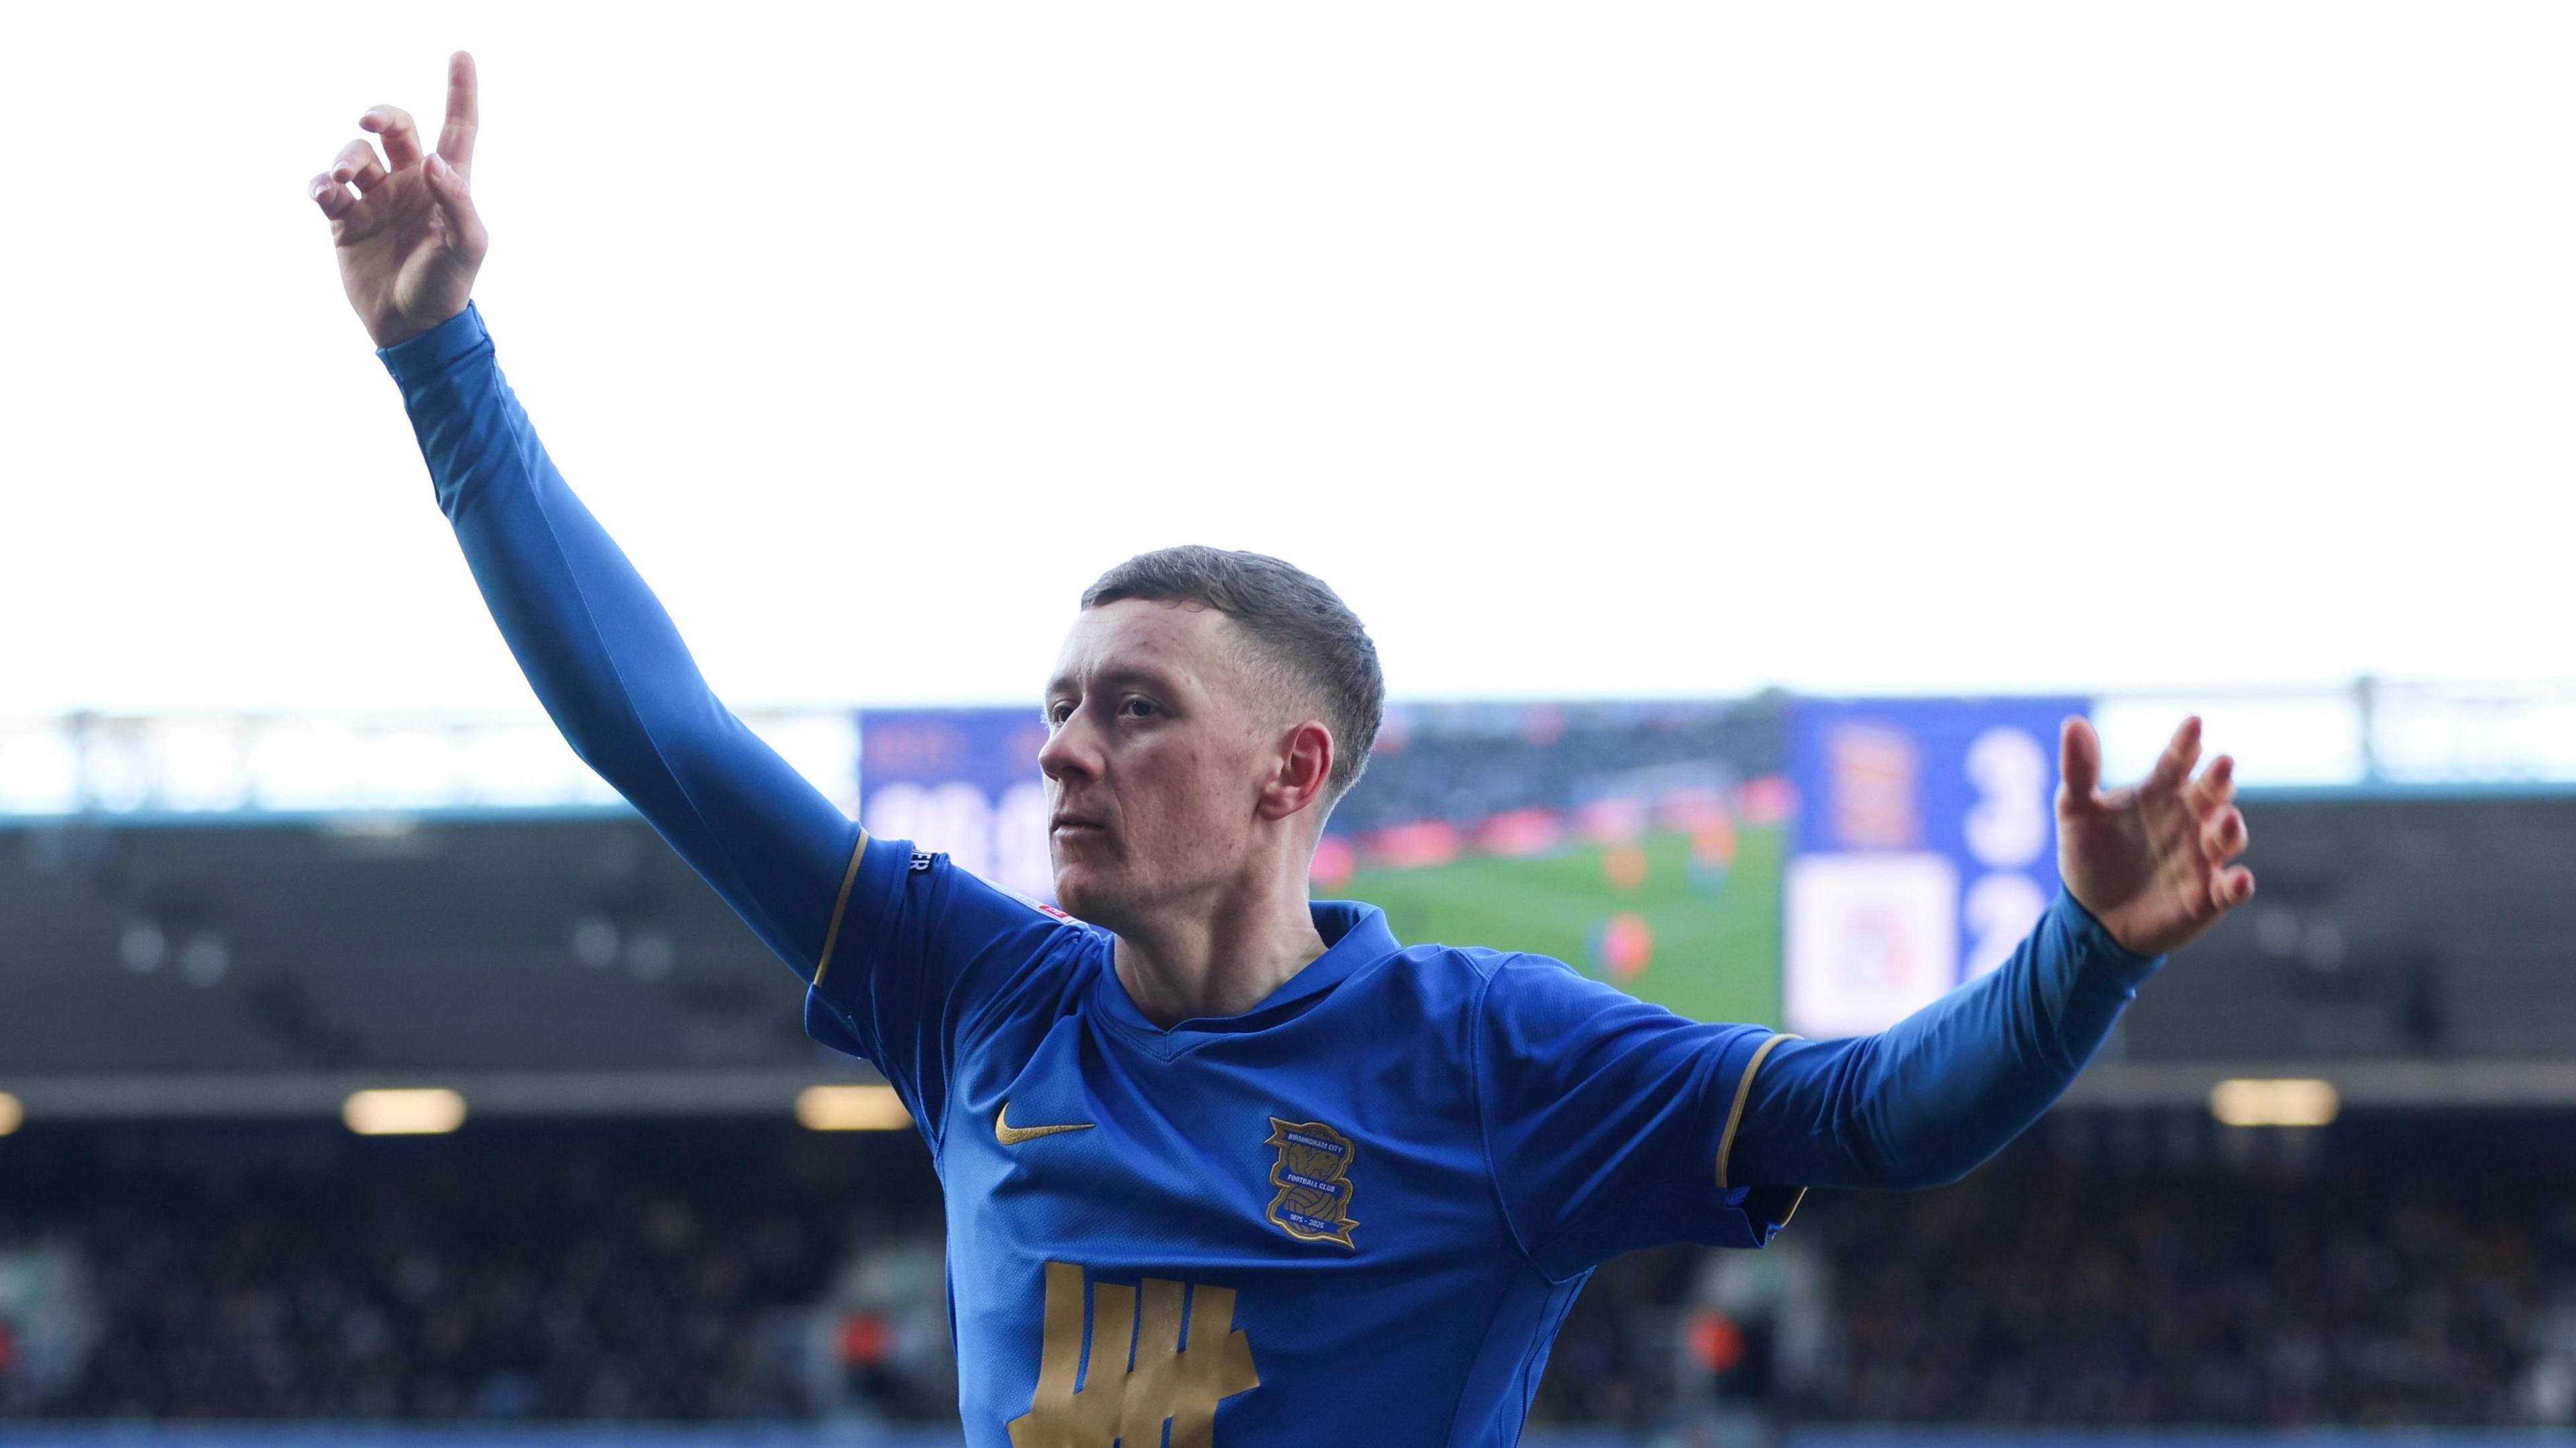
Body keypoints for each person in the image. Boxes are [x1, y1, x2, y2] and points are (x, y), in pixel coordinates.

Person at [311, 52, 2257, 1447]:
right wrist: (439, 358)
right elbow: (659, 733)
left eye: (1135, 708)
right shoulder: (972, 992)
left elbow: (1883, 1117)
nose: (1068, 750)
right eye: (1061, 705)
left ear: (1291, 775)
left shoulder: (1500, 1063)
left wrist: (2085, 949)